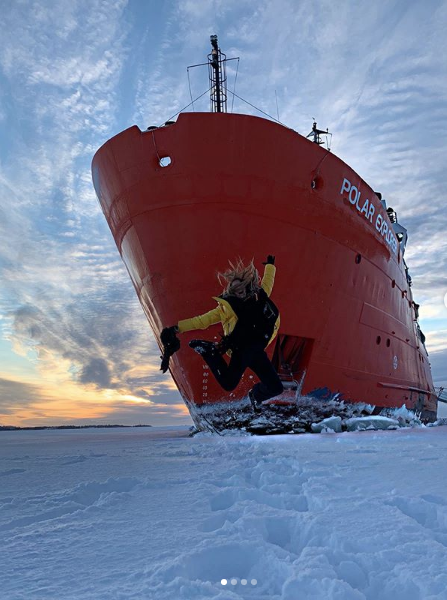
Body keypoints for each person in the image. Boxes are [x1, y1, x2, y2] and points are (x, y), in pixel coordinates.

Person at [160, 256, 283, 412]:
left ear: (246, 288)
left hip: (257, 351)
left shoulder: (258, 299)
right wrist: (177, 329)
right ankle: (208, 351)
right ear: (231, 291)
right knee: (228, 383)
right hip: (241, 350)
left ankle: (255, 396)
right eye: (234, 289)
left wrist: (270, 267)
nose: (238, 291)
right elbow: (202, 321)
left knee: (276, 388)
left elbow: (267, 284)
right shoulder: (225, 308)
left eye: (240, 288)